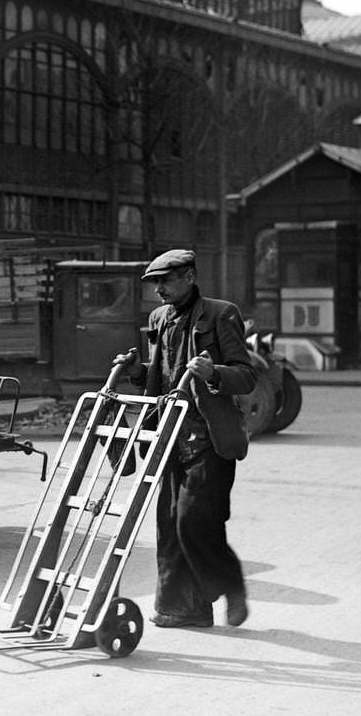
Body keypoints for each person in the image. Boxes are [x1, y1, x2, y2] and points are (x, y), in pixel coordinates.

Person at [116, 249, 258, 629]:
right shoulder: (159, 318)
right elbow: (162, 374)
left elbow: (246, 375)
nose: (159, 289)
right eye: (154, 283)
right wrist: (136, 371)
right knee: (169, 527)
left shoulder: (220, 313)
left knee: (194, 522)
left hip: (209, 438)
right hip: (169, 435)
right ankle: (183, 609)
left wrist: (214, 373)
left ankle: (232, 587)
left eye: (166, 280)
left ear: (190, 277)